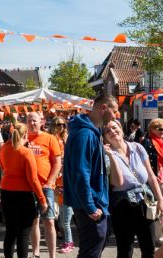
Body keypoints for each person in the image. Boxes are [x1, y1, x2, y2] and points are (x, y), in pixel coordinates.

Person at [63, 93, 119, 258]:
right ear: (103, 108)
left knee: (94, 248)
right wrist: (90, 207)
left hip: (93, 203)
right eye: (114, 111)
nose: (115, 116)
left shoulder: (91, 132)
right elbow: (81, 173)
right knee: (91, 251)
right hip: (90, 205)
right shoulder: (85, 135)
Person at [104, 119, 163, 258]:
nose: (112, 132)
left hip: (145, 201)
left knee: (149, 248)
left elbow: (150, 176)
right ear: (105, 137)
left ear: (121, 128)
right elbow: (117, 183)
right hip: (122, 205)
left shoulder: (137, 147)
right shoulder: (107, 155)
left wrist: (161, 200)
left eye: (114, 128)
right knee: (125, 251)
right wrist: (111, 156)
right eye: (107, 131)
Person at [0, 122, 47, 258]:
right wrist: (42, 200)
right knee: (23, 234)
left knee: (10, 232)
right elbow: (33, 180)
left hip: (6, 192)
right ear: (25, 135)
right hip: (23, 196)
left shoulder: (3, 148)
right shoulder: (26, 152)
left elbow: (2, 167)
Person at [26, 112, 63, 258]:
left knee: (49, 221)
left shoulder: (50, 138)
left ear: (41, 122)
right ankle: (35, 253)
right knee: (34, 220)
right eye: (29, 121)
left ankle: (52, 255)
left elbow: (57, 162)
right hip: (28, 187)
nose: (31, 123)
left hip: (45, 186)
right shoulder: (23, 138)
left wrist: (50, 181)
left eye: (34, 121)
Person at [50, 116, 75, 253]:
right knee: (61, 216)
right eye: (59, 124)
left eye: (64, 125)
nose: (62, 127)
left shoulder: (66, 139)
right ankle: (65, 238)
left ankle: (68, 241)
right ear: (54, 125)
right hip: (57, 176)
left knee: (65, 218)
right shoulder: (52, 139)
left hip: (66, 176)